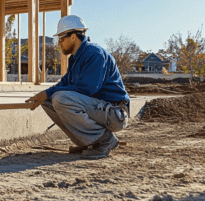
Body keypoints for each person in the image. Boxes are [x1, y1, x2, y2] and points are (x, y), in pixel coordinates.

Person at [26, 15, 130, 159]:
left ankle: (105, 140)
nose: (58, 44)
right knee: (49, 99)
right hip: (100, 109)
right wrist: (45, 93)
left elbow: (88, 88)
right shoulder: (75, 59)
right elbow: (65, 83)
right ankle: (87, 141)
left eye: (61, 39)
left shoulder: (95, 55)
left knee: (60, 98)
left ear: (73, 37)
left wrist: (52, 93)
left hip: (114, 113)